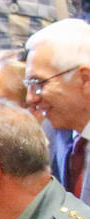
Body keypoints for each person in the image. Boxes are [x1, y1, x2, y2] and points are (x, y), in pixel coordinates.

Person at [26, 17, 90, 204]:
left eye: (39, 83)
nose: (31, 98)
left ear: (85, 79)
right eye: (28, 85)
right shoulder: (50, 131)